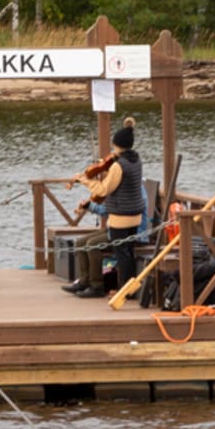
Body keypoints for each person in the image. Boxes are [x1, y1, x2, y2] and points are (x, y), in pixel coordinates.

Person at [68, 117, 146, 298]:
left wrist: (86, 181)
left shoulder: (119, 166)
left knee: (122, 254)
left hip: (121, 216)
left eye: (114, 146)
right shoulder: (136, 162)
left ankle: (124, 291)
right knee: (127, 252)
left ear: (117, 145)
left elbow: (104, 190)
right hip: (134, 215)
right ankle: (128, 289)